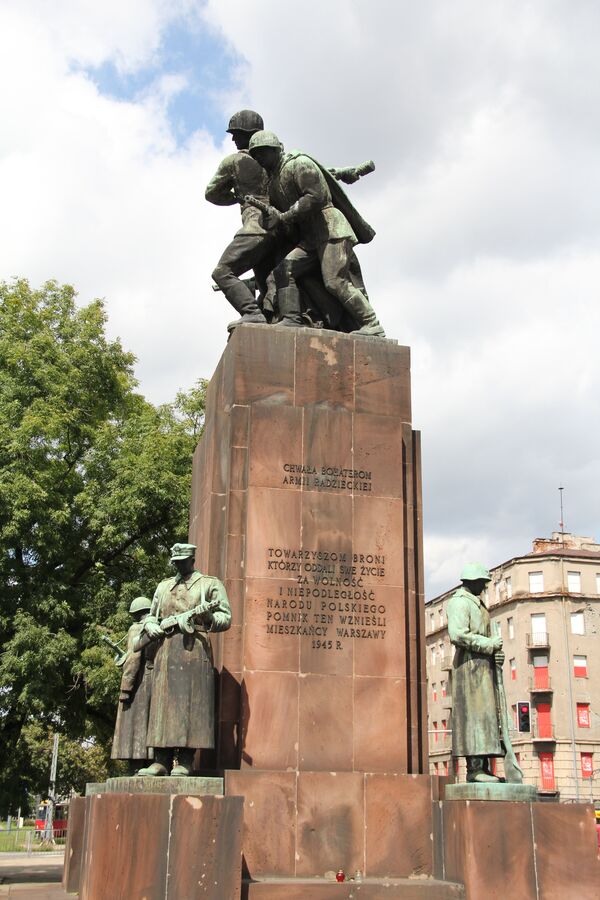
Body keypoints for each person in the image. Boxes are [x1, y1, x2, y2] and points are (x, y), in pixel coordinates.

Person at [247, 130, 385, 337]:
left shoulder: (299, 163)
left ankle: (372, 323)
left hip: (331, 229)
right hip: (311, 238)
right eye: (256, 155)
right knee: (285, 269)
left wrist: (287, 215)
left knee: (334, 281)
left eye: (263, 152)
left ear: (277, 149)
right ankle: (292, 319)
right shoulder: (273, 182)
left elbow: (316, 196)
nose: (260, 158)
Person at [136, 543, 231, 777]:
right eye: (175, 561)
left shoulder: (210, 584)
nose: (178, 564)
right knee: (162, 704)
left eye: (182, 560)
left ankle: (186, 760)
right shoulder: (164, 586)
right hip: (165, 650)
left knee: (191, 705)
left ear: (192, 559)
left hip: (193, 650)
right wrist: (150, 624)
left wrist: (208, 616)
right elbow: (152, 615)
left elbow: (225, 618)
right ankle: (160, 761)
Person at [205, 110, 277, 329]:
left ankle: (251, 312)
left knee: (222, 272)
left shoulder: (234, 161)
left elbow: (212, 193)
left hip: (255, 227)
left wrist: (237, 197)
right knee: (267, 282)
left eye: (237, 133)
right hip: (279, 229)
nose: (233, 138)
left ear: (249, 134)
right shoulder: (275, 160)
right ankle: (267, 316)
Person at [447, 563, 504, 782]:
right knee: (475, 716)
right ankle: (475, 769)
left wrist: (496, 654)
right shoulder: (459, 603)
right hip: (469, 667)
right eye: (482, 582)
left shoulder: (478, 604)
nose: (484, 586)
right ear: (471, 582)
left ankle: (484, 767)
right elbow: (458, 634)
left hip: (483, 666)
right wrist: (488, 644)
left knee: (488, 716)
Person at [110, 596, 156, 775]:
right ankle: (151, 762)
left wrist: (126, 687)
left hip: (138, 683)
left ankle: (136, 765)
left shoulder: (136, 628)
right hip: (155, 681)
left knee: (135, 724)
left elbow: (134, 658)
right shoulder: (158, 627)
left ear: (136, 614)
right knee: (150, 724)